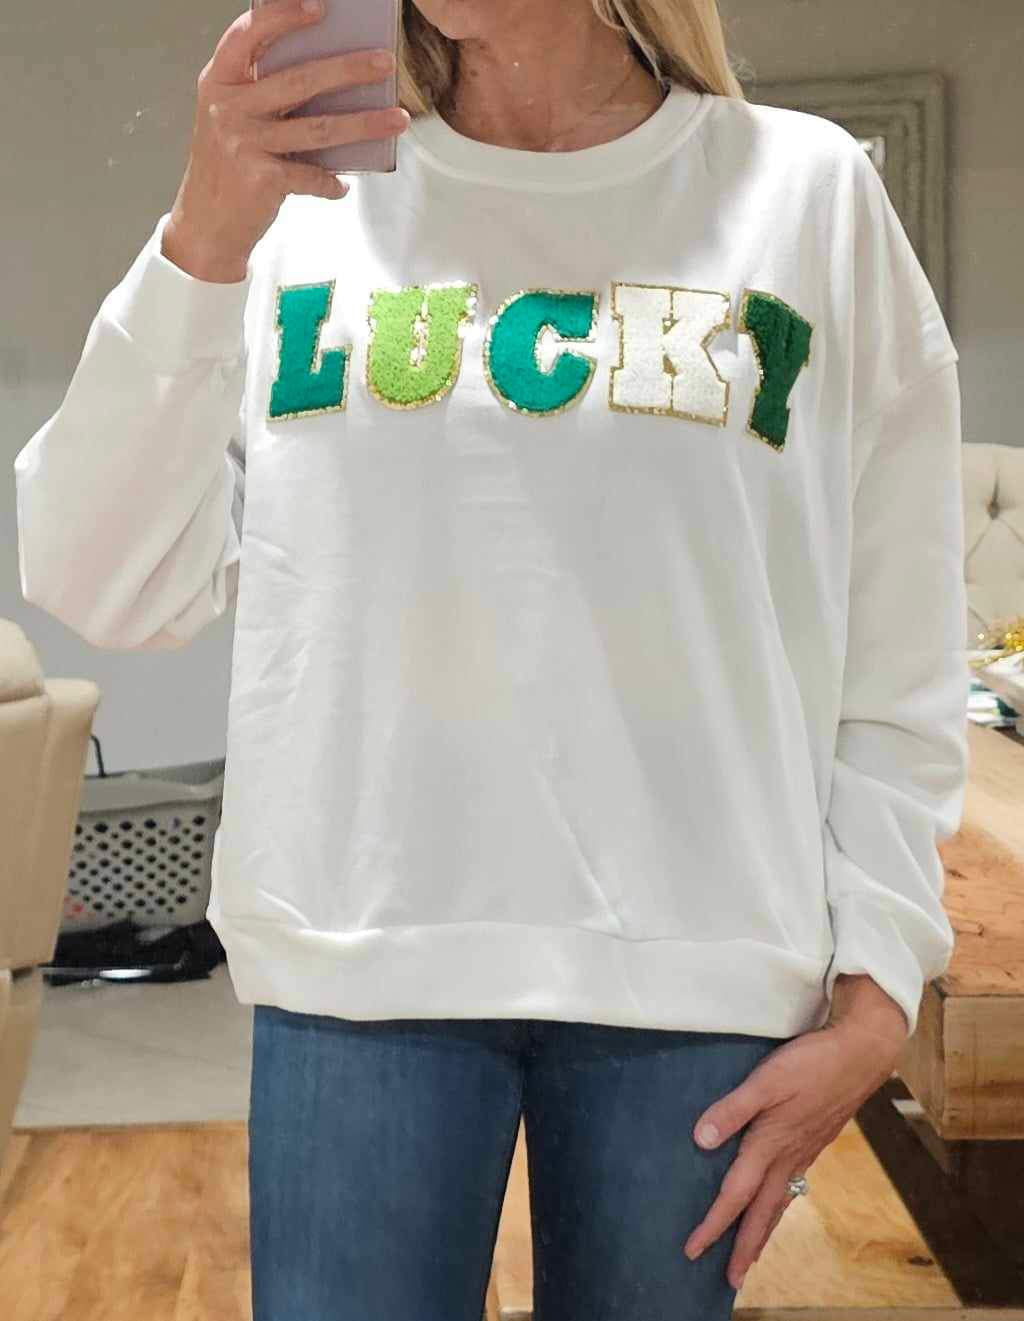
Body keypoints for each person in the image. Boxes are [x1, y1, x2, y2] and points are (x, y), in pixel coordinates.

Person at [12, 0, 969, 1317]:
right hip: (359, 950)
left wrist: (882, 985)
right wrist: (203, 241)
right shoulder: (300, 209)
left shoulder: (805, 193)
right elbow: (96, 579)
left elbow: (900, 628)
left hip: (698, 968)